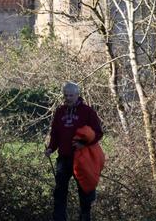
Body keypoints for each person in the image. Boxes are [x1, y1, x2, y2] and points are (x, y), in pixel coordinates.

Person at [44, 82, 103, 221]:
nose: (68, 98)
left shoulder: (88, 112)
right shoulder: (59, 111)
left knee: (85, 193)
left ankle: (84, 218)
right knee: (59, 193)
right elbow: (55, 134)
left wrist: (84, 143)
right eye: (66, 95)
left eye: (71, 95)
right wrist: (51, 148)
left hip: (82, 159)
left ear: (77, 95)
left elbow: (99, 133)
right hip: (64, 159)